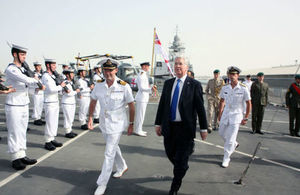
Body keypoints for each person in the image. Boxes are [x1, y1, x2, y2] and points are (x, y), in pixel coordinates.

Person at [155, 56, 208, 195]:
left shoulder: (194, 85)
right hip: (169, 127)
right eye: (176, 64)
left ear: (186, 67)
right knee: (170, 154)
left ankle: (174, 188)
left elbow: (200, 108)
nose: (178, 66)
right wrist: (158, 123)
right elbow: (162, 105)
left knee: (179, 161)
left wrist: (203, 128)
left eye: (181, 64)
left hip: (186, 129)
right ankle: (182, 166)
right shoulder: (168, 84)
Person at [87, 59, 135, 195]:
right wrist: (90, 117)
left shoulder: (123, 86)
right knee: (113, 147)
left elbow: (131, 106)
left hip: (117, 123)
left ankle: (102, 183)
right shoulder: (99, 85)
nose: (107, 73)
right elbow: (93, 101)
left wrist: (131, 124)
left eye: (110, 70)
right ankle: (122, 166)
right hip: (104, 122)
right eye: (105, 70)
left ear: (116, 70)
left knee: (108, 153)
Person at [5, 44, 45, 170]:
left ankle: (22, 154)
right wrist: (36, 79)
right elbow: (26, 80)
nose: (24, 57)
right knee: (14, 131)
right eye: (22, 54)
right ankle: (15, 158)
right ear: (14, 54)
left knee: (22, 131)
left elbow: (29, 88)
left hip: (23, 103)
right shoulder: (12, 69)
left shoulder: (23, 69)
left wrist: (38, 88)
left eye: (25, 55)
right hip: (14, 104)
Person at [218, 66, 251, 168]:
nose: (232, 76)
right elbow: (222, 101)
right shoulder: (225, 87)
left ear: (238, 76)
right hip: (226, 113)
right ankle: (235, 144)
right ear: (228, 75)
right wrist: (220, 113)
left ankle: (226, 158)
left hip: (236, 114)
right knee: (221, 132)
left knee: (230, 139)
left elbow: (248, 103)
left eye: (234, 74)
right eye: (230, 74)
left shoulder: (243, 88)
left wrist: (246, 117)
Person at [42, 58, 66, 151]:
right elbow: (51, 89)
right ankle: (47, 141)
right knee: (50, 122)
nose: (55, 67)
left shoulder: (52, 76)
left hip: (55, 101)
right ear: (48, 65)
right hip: (49, 102)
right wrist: (61, 86)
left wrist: (61, 89)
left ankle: (52, 138)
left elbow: (56, 89)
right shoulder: (46, 76)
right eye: (53, 65)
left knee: (54, 122)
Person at [134, 62, 157, 137]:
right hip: (141, 98)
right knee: (140, 115)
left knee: (141, 115)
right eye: (147, 66)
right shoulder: (142, 75)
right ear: (144, 66)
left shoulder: (143, 74)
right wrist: (150, 88)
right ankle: (138, 130)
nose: (148, 68)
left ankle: (139, 129)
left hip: (143, 97)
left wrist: (150, 87)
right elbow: (141, 88)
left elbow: (144, 86)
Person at [61, 68, 80, 138]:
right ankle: (67, 132)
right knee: (67, 117)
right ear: (67, 75)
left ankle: (70, 130)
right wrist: (76, 92)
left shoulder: (71, 82)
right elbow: (68, 94)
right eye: (71, 74)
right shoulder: (65, 83)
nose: (73, 75)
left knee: (71, 118)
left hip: (72, 102)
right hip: (66, 103)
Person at [76, 65, 94, 130]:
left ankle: (84, 120)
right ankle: (82, 123)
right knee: (82, 110)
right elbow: (81, 89)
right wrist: (90, 88)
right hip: (83, 96)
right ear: (80, 72)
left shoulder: (86, 80)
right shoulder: (79, 81)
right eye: (84, 71)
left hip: (87, 96)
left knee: (86, 110)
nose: (85, 73)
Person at [32, 61, 45, 126]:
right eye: (37, 66)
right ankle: (36, 119)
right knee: (36, 106)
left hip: (42, 92)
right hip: (36, 92)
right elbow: (31, 84)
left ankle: (39, 118)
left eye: (39, 66)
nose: (38, 67)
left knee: (40, 106)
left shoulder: (42, 74)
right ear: (35, 67)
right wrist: (36, 88)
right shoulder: (33, 74)